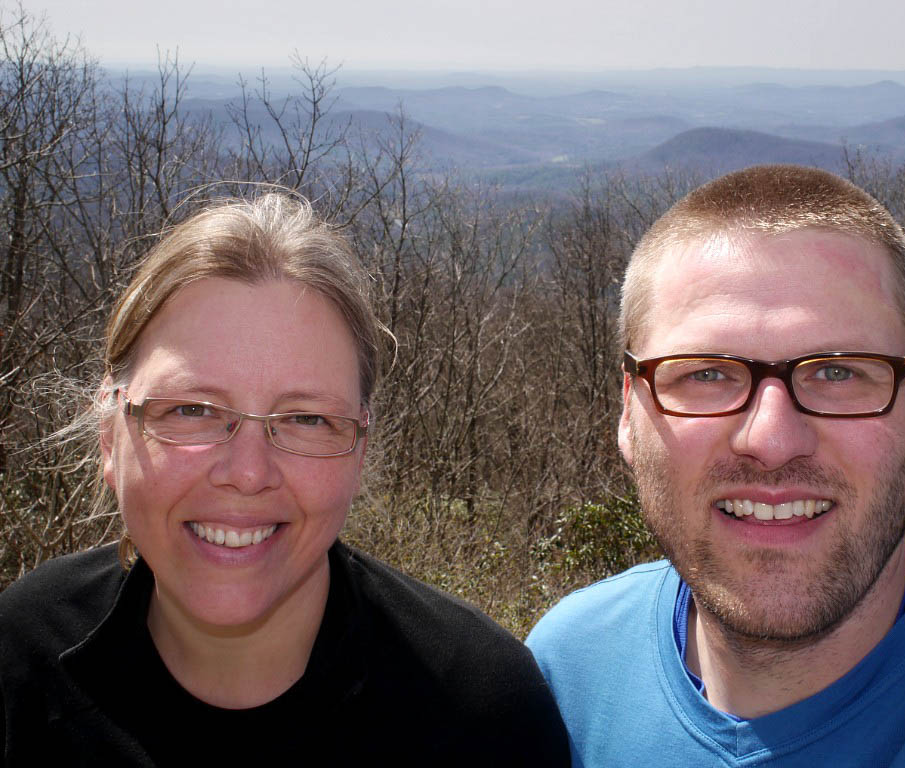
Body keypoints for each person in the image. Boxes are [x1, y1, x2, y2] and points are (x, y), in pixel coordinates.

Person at [0, 193, 569, 766]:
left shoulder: (484, 714)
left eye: (306, 419)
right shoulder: (20, 658)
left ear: (360, 451)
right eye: (191, 410)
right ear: (109, 435)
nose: (248, 473)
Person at [526, 165, 905, 767]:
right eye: (706, 374)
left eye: (838, 372)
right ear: (629, 413)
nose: (772, 438)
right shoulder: (567, 674)